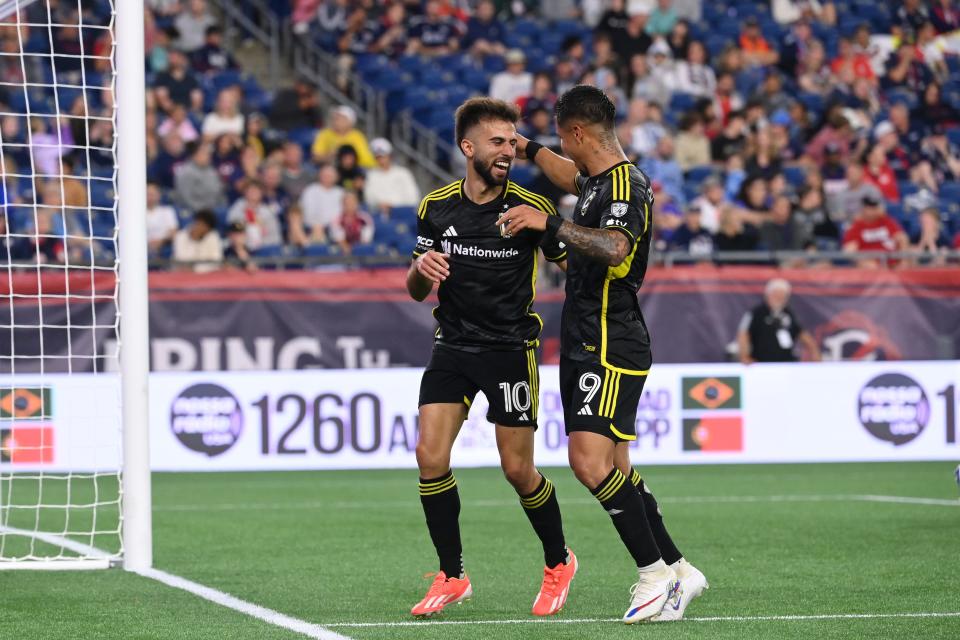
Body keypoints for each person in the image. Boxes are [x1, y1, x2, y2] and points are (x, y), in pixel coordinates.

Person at [498, 85, 706, 623]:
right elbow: (571, 178)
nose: (563, 154)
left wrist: (551, 225)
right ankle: (679, 569)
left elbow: (616, 247)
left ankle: (652, 575)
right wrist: (526, 148)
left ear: (579, 134)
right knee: (616, 466)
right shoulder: (597, 182)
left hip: (609, 339)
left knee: (587, 463)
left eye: (565, 141)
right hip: (592, 334)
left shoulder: (626, 184)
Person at [406, 97, 575, 619]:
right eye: (498, 142)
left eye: (512, 141)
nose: (508, 150)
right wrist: (422, 269)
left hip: (510, 349)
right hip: (453, 346)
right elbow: (415, 289)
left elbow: (574, 267)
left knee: (517, 470)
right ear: (468, 147)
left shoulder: (530, 205)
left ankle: (558, 561)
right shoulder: (436, 207)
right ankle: (453, 575)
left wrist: (549, 230)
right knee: (429, 458)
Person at [737, 278, 821, 363]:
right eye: (776, 294)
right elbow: (743, 334)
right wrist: (744, 356)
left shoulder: (788, 314)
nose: (779, 298)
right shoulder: (756, 313)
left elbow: (802, 333)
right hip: (762, 363)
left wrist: (814, 350)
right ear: (768, 295)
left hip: (786, 363)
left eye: (782, 295)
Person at [364, 138, 420, 216]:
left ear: (390, 156)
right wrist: (381, 205)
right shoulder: (371, 175)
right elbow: (369, 198)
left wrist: (393, 206)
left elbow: (413, 198)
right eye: (378, 157)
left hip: (403, 213)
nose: (381, 160)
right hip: (381, 213)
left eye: (383, 156)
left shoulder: (403, 173)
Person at [172, 208, 222, 273]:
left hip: (207, 276)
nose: (200, 227)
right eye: (199, 223)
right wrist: (193, 240)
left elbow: (216, 261)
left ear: (208, 229)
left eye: (204, 226)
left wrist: (197, 270)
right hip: (183, 275)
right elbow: (181, 260)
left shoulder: (213, 236)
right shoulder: (180, 236)